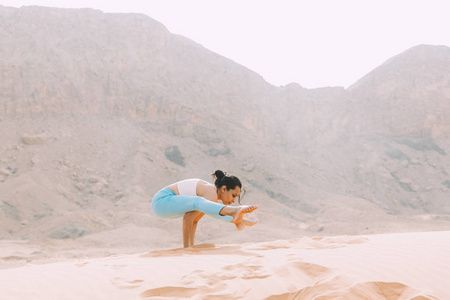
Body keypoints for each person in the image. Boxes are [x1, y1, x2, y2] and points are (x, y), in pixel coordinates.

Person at [151, 170, 258, 248]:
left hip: (163, 206)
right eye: (233, 195)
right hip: (162, 201)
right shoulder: (211, 192)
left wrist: (191, 246)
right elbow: (187, 218)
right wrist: (186, 249)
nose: (234, 200)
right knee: (202, 204)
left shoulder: (209, 198)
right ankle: (235, 213)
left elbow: (194, 220)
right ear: (224, 189)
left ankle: (237, 220)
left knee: (210, 208)